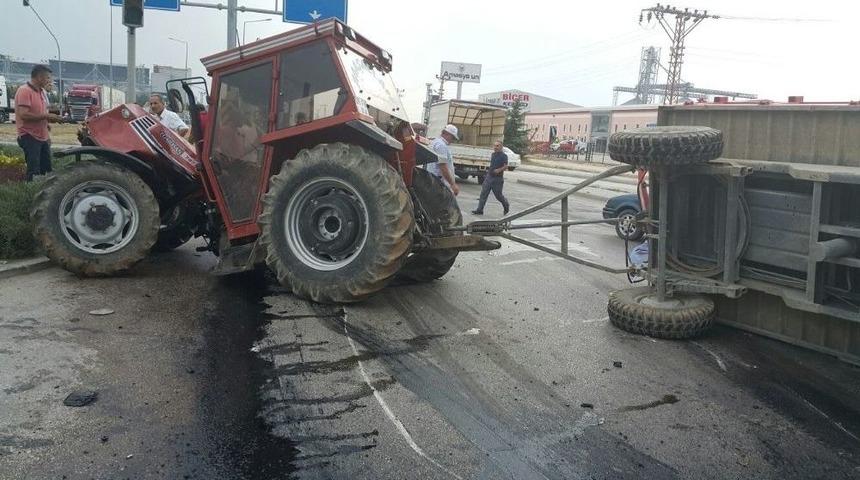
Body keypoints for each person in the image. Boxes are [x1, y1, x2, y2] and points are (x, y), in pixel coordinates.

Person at [15, 65, 63, 181]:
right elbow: (24, 115)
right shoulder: (25, 91)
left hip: (43, 136)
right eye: (47, 78)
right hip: (29, 136)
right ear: (39, 77)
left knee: (47, 170)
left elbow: (41, 112)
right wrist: (46, 116)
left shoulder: (41, 92)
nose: (49, 81)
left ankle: (46, 195)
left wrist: (49, 121)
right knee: (34, 171)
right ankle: (31, 194)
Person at [472, 141, 510, 215]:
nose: (495, 147)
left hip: (497, 179)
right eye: (494, 146)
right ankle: (480, 210)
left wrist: (498, 170)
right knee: (483, 194)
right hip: (489, 177)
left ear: (501, 147)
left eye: (497, 146)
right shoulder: (493, 154)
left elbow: (506, 166)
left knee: (498, 196)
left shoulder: (504, 156)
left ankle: (506, 204)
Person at [426, 124, 460, 196]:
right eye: (453, 137)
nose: (452, 140)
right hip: (438, 182)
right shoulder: (441, 146)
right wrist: (452, 184)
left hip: (433, 180)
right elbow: (443, 166)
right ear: (448, 134)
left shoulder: (435, 142)